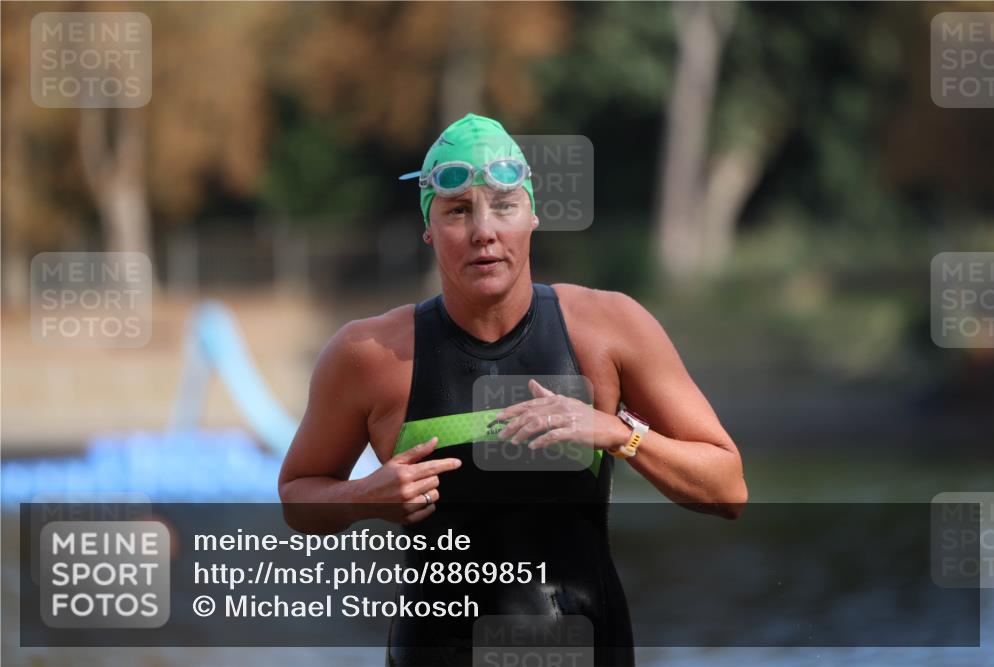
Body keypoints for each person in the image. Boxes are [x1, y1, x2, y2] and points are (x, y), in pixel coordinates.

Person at [278, 113, 747, 666]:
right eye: (458, 211)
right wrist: (364, 498)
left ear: (532, 215)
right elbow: (297, 496)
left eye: (504, 205)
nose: (484, 231)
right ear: (429, 227)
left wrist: (621, 435)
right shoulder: (368, 356)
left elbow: (728, 487)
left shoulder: (609, 328)